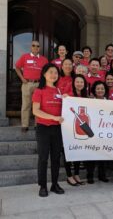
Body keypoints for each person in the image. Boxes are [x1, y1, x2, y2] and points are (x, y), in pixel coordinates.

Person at [32, 63, 64, 197]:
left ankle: (54, 184)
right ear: (44, 74)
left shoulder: (59, 91)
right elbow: (35, 111)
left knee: (56, 157)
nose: (53, 75)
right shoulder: (39, 91)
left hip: (57, 129)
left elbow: (64, 110)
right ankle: (43, 185)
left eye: (56, 72)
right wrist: (53, 117)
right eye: (50, 72)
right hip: (43, 128)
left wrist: (67, 100)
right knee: (43, 158)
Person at [15, 40, 48, 132]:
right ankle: (25, 125)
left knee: (38, 105)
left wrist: (44, 83)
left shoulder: (44, 59)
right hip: (27, 84)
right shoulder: (24, 57)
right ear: (31, 47)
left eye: (37, 46)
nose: (35, 47)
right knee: (26, 105)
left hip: (39, 84)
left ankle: (38, 124)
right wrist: (22, 78)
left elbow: (47, 72)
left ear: (40, 48)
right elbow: (17, 67)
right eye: (33, 45)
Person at [62, 74, 88, 186]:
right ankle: (69, 175)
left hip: (81, 129)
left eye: (81, 82)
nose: (79, 84)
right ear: (73, 83)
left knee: (79, 151)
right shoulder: (69, 96)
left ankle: (76, 174)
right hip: (69, 128)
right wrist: (65, 98)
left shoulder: (85, 97)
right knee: (68, 151)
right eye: (77, 82)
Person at [85, 81, 109, 184]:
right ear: (94, 90)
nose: (100, 90)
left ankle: (102, 175)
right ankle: (90, 175)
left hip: (105, 132)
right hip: (92, 132)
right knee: (91, 155)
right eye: (98, 89)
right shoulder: (89, 102)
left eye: (102, 89)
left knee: (103, 155)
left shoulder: (109, 102)